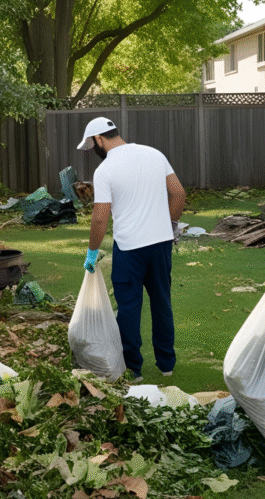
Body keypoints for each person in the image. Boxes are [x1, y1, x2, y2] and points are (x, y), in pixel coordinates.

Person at [77, 117, 186, 381]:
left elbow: (100, 217)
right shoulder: (154, 154)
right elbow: (179, 193)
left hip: (129, 248)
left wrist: (92, 252)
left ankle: (134, 369)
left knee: (129, 307)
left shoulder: (105, 171)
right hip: (160, 245)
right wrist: (168, 225)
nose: (94, 153)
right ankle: (166, 364)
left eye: (93, 148)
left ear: (99, 140)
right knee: (161, 301)